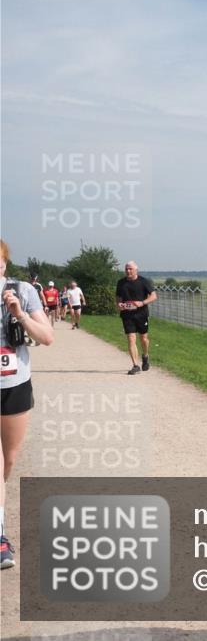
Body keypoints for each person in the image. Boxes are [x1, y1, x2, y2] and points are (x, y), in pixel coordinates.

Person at [0, 240, 55, 569]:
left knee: (9, 459)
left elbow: (47, 337)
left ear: (5, 264)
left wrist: (19, 313)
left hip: (14, 384)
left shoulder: (22, 291)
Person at [115, 262, 157, 375]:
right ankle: (135, 365)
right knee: (131, 338)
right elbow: (118, 297)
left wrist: (142, 303)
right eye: (126, 269)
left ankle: (145, 355)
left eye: (130, 269)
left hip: (141, 314)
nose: (128, 271)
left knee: (143, 338)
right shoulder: (121, 283)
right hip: (127, 314)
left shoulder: (144, 281)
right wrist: (119, 304)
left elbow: (154, 296)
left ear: (136, 270)